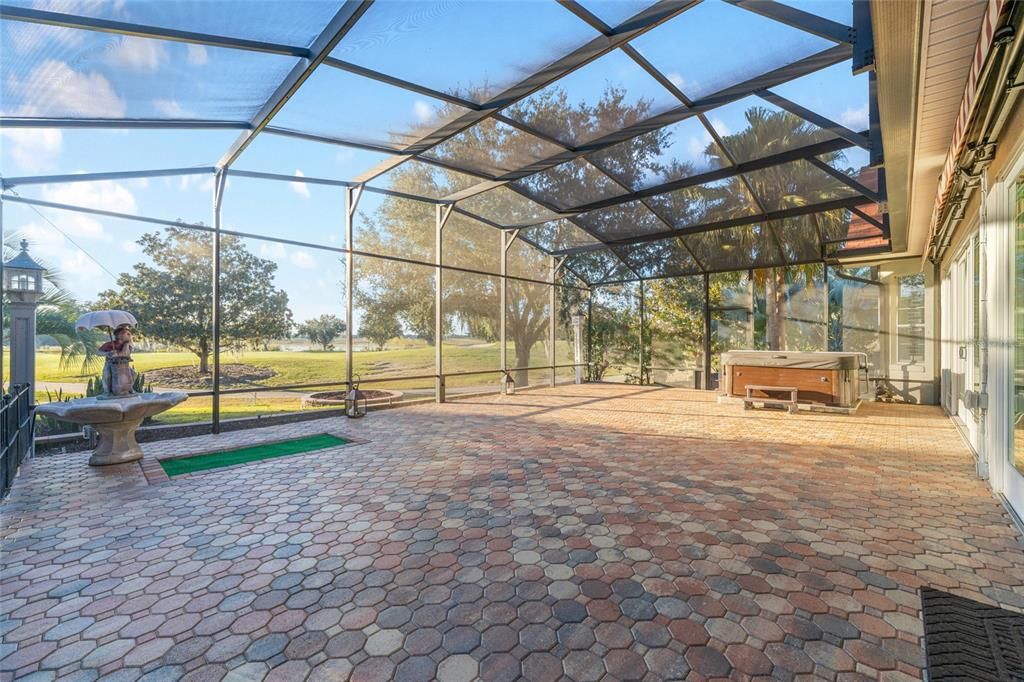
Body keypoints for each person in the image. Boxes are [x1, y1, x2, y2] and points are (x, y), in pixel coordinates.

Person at [99, 325, 136, 395]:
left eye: (130, 334)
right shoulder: (110, 344)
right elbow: (98, 352)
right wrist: (108, 353)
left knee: (133, 374)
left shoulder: (127, 345)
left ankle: (129, 387)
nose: (130, 336)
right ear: (119, 335)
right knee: (107, 376)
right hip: (110, 364)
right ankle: (107, 391)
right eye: (127, 334)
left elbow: (126, 354)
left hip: (123, 364)